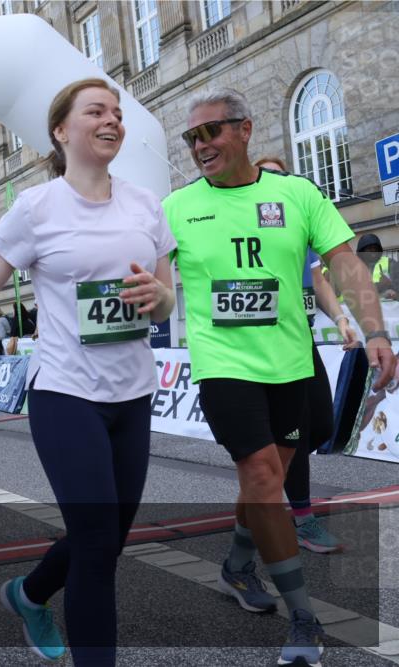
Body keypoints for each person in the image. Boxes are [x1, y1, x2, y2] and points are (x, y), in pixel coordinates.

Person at [164, 88, 395, 667]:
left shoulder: (297, 193)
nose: (200, 146)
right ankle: (304, 619)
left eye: (210, 133)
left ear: (244, 130)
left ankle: (238, 566)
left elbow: (346, 264)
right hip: (223, 366)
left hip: (291, 365)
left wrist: (376, 332)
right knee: (264, 476)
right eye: (191, 138)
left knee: (268, 478)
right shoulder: (175, 208)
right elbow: (146, 274)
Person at [0, 78, 176, 665]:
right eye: (96, 111)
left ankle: (29, 595)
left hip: (132, 394)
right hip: (64, 392)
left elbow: (167, 299)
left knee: (104, 538)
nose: (112, 121)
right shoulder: (35, 208)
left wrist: (158, 295)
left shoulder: (145, 205)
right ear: (61, 130)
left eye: (117, 113)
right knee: (100, 543)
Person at [255, 156, 359, 554]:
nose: (277, 181)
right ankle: (301, 517)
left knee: (319, 426)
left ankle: (267, 487)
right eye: (269, 174)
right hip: (262, 350)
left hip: (303, 343)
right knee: (293, 433)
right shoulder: (249, 233)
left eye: (283, 173)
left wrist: (341, 320)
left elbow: (318, 281)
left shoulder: (297, 231)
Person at [355, 233, 396, 299]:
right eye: (369, 248)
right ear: (361, 251)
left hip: (388, 308)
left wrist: (391, 286)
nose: (373, 250)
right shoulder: (354, 267)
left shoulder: (390, 262)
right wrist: (379, 286)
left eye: (375, 248)